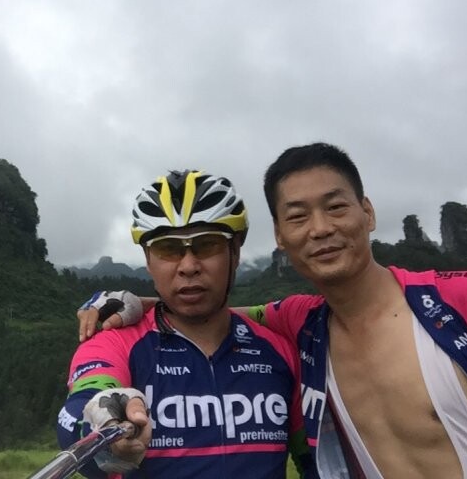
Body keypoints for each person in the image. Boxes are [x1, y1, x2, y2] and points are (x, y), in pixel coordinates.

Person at [80, 143, 467, 479]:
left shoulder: (465, 301)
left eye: (335, 207)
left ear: (368, 212)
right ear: (280, 237)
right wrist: (134, 303)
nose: (321, 228)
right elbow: (216, 312)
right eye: (298, 216)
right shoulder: (302, 324)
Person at [57, 170, 317, 478]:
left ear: (235, 252)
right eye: (168, 249)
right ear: (148, 259)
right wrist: (106, 425)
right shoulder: (114, 341)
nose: (189, 266)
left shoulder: (280, 350)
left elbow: (315, 461)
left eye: (207, 245)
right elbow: (80, 410)